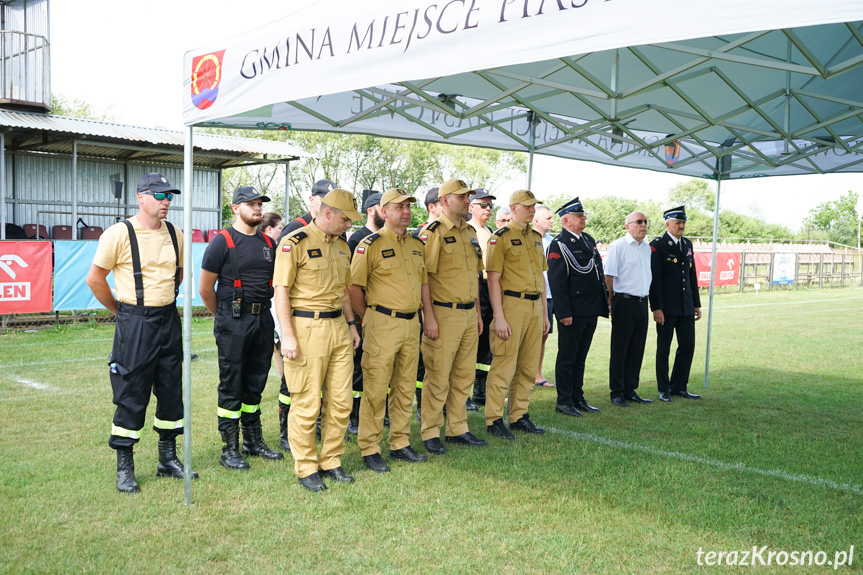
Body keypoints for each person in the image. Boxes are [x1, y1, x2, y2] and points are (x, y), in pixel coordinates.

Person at [86, 172, 197, 493]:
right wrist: (121, 312)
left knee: (171, 390)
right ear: (141, 197)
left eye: (170, 196)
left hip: (168, 319)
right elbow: (95, 279)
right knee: (131, 392)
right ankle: (125, 465)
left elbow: (178, 275)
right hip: (134, 321)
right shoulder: (118, 234)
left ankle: (167, 458)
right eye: (160, 196)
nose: (166, 202)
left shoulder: (176, 233)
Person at [274, 188, 363, 492]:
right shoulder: (294, 243)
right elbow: (281, 292)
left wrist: (351, 325)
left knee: (340, 400)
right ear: (328, 213)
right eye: (345, 218)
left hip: (338, 326)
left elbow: (344, 290)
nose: (349, 224)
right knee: (307, 400)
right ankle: (306, 466)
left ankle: (332, 460)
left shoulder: (343, 246)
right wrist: (287, 334)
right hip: (306, 328)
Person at [199, 187, 284, 471]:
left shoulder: (267, 243)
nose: (257, 208)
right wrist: (224, 317)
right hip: (232, 319)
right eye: (251, 204)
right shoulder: (221, 243)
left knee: (256, 381)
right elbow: (204, 289)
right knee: (232, 384)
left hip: (262, 321)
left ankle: (252, 441)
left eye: (260, 204)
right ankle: (230, 448)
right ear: (235, 208)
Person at [349, 188, 428, 472]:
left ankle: (400, 443)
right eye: (399, 207)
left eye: (408, 206)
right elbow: (353, 287)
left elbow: (422, 285)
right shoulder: (369, 245)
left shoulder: (418, 245)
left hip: (411, 324)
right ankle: (370, 448)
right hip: (382, 323)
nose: (406, 211)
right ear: (384, 212)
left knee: (405, 387)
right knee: (376, 388)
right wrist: (367, 315)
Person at [418, 179, 487, 455]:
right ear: (445, 201)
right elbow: (424, 279)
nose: (468, 201)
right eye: (462, 197)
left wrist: (479, 315)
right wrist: (429, 318)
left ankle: (458, 428)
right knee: (438, 376)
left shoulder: (469, 231)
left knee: (463, 375)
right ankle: (431, 431)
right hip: (443, 313)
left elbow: (474, 277)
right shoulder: (432, 232)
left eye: (468, 196)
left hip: (469, 314)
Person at [275, 178, 336, 450]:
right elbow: (281, 285)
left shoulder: (336, 234)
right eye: (323, 199)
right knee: (295, 384)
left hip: (329, 323)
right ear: (312, 200)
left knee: (322, 384)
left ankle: (318, 426)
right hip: (297, 317)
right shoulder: (295, 231)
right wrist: (285, 331)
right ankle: (286, 431)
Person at [484, 190, 550, 439]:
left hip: (534, 306)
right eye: (527, 206)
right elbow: (493, 279)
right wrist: (499, 316)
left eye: (534, 206)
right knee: (504, 363)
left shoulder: (535, 237)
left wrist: (544, 314)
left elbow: (541, 279)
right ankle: (493, 419)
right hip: (512, 305)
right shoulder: (499, 237)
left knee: (527, 365)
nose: (532, 210)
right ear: (513, 208)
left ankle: (519, 415)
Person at [546, 197, 608, 417]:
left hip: (590, 308)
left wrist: (604, 303)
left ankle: (577, 397)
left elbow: (598, 274)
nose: (583, 219)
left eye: (583, 216)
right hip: (572, 311)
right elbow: (557, 281)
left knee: (580, 357)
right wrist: (563, 313)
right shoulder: (559, 244)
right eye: (578, 216)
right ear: (565, 220)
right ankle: (563, 401)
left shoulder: (588, 239)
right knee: (568, 357)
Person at [650, 205, 703, 401]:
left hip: (686, 305)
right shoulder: (658, 245)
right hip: (667, 307)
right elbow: (654, 279)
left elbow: (691, 275)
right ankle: (664, 389)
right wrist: (656, 307)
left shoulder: (687, 244)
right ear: (667, 223)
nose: (681, 226)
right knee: (664, 348)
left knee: (687, 346)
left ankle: (679, 386)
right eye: (678, 223)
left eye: (683, 223)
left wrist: (696, 303)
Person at [604, 211, 653, 407]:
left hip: (642, 302)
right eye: (639, 222)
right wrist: (609, 302)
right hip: (624, 302)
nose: (643, 225)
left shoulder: (647, 248)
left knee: (637, 348)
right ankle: (617, 391)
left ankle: (630, 389)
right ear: (628, 226)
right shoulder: (618, 246)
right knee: (620, 348)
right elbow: (609, 277)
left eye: (645, 222)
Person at [346, 191, 383, 435]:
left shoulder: (388, 238)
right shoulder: (357, 239)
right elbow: (351, 284)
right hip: (363, 315)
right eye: (383, 206)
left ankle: (381, 411)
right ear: (371, 210)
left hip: (385, 317)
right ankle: (354, 416)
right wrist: (361, 316)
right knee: (358, 367)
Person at [467, 188, 496, 406]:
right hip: (476, 287)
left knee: (486, 344)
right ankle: (466, 392)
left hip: (489, 287)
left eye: (490, 205)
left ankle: (480, 390)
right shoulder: (468, 230)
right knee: (471, 342)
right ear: (471, 207)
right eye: (483, 205)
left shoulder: (489, 231)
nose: (488, 209)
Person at [258, 212, 285, 406]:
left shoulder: (272, 247)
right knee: (278, 345)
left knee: (278, 346)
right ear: (269, 229)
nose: (281, 232)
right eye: (280, 228)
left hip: (274, 301)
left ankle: (285, 381)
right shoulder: (269, 248)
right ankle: (285, 381)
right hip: (273, 302)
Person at [532, 205, 556, 388]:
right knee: (530, 337)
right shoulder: (529, 239)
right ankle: (524, 375)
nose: (552, 220)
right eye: (548, 218)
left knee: (543, 335)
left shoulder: (552, 241)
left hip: (550, 295)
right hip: (533, 295)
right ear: (536, 220)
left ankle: (537, 375)